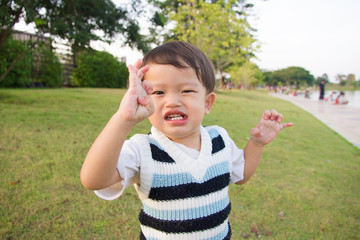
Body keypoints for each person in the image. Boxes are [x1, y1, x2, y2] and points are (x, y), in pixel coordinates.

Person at [80, 41, 293, 239]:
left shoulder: (219, 139)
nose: (172, 101)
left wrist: (256, 144)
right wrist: (123, 120)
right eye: (159, 92)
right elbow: (93, 180)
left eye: (186, 90)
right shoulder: (142, 150)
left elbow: (241, 175)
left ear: (208, 102)